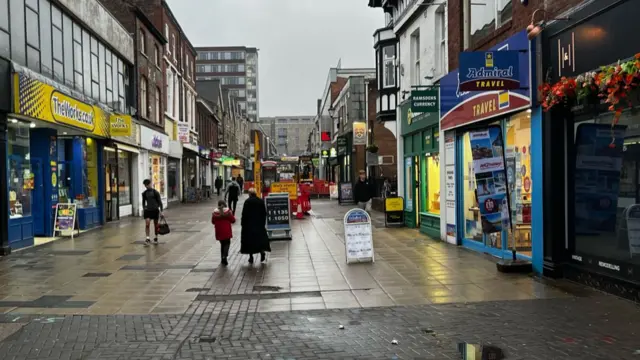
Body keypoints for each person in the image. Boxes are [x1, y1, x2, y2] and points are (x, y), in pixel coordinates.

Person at [241, 188, 271, 264]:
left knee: (250, 241)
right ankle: (262, 252)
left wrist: (243, 223)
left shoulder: (247, 202)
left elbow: (244, 214)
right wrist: (263, 223)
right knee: (260, 239)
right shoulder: (260, 201)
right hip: (259, 224)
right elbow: (264, 213)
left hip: (249, 225)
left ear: (249, 194)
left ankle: (251, 257)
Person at [211, 199, 235, 266]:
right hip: (226, 230)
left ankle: (222, 259)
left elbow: (213, 222)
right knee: (227, 243)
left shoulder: (215, 213)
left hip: (219, 231)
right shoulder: (228, 212)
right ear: (225, 204)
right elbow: (233, 220)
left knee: (222, 244)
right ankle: (225, 256)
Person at [142, 179, 163, 244]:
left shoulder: (155, 192)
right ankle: (147, 238)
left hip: (155, 210)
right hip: (148, 211)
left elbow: (160, 202)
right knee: (147, 224)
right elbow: (143, 202)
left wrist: (161, 212)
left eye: (147, 185)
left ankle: (156, 237)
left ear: (150, 184)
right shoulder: (144, 193)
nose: (146, 186)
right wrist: (144, 209)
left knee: (156, 225)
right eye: (145, 185)